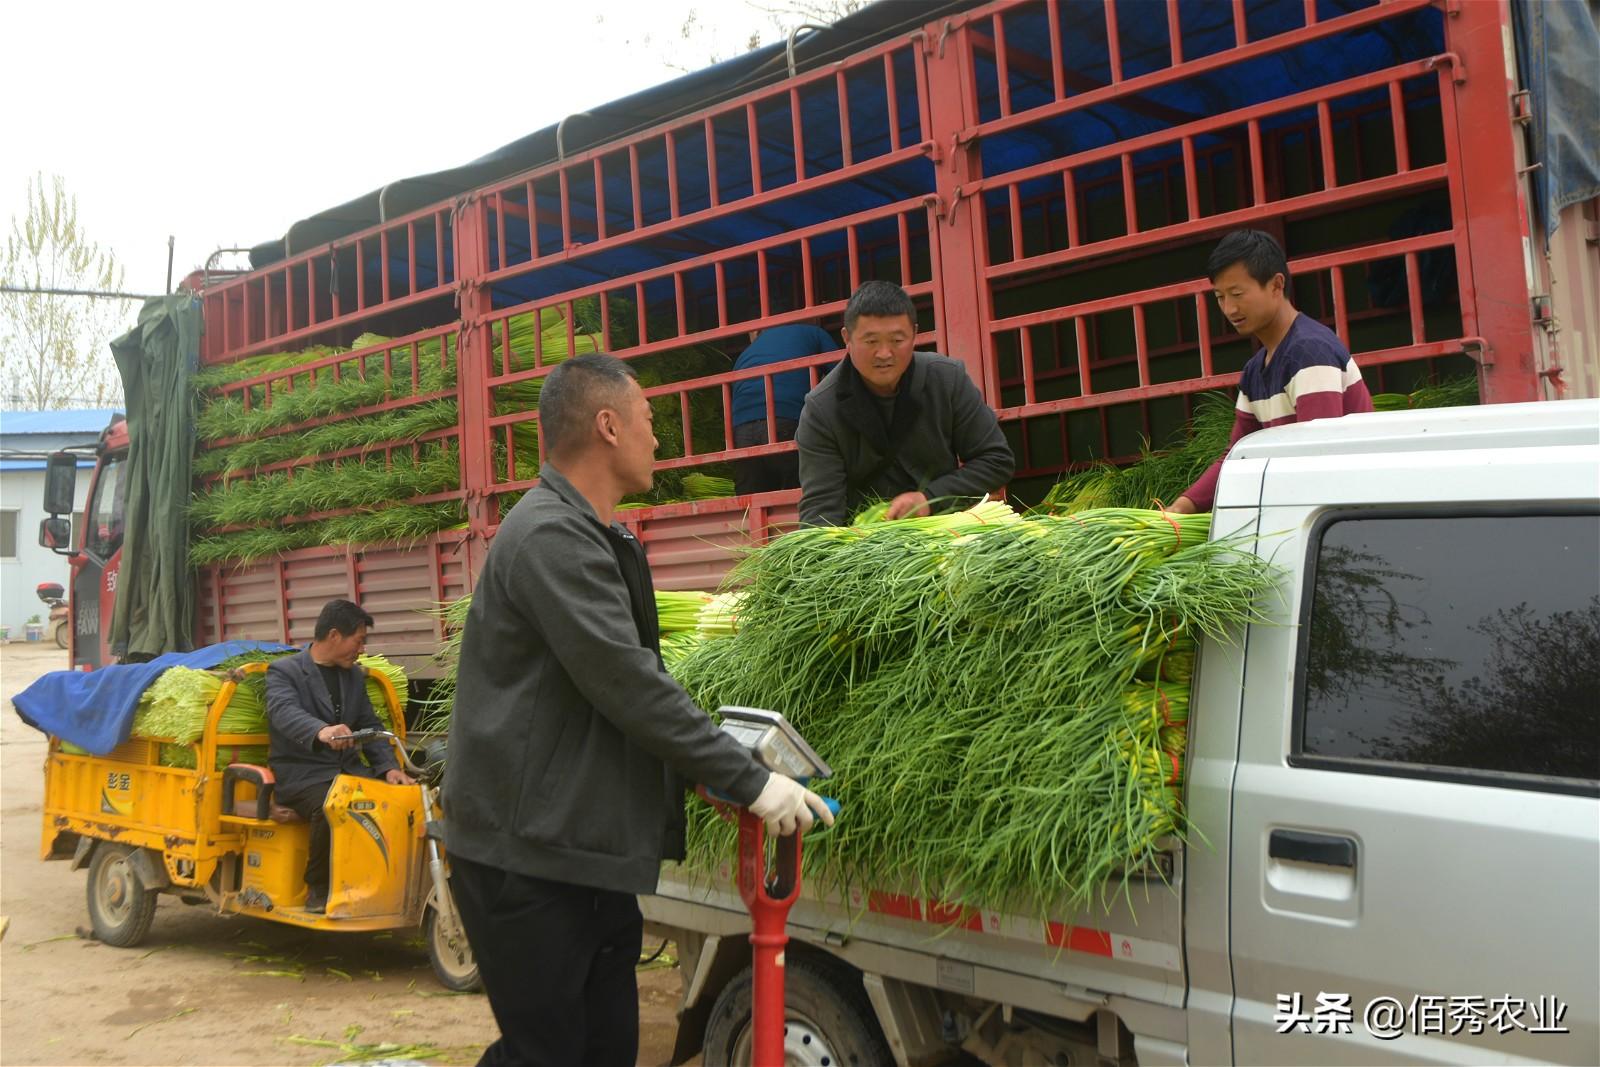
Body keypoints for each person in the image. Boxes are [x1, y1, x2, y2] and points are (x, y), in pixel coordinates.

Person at [442, 353, 834, 1067]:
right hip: (525, 862)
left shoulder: (592, 534)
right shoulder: (550, 536)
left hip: (579, 856)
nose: (659, 441)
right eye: (649, 422)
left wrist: (708, 769)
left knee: (603, 1049)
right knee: (546, 1055)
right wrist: (750, 779)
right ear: (607, 426)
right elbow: (626, 681)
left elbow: (624, 687)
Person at [1168, 230, 1375, 514]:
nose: (1229, 308)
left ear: (1277, 285)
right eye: (1220, 297)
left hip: (1341, 518)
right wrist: (1179, 509)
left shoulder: (1309, 352)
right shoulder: (1255, 371)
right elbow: (1235, 457)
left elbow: (1317, 459)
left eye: (1237, 294)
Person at [795, 281, 1015, 526]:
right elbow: (821, 513)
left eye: (897, 340)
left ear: (914, 335)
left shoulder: (947, 378)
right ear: (847, 338)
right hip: (868, 545)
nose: (884, 353)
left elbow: (997, 460)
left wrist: (929, 498)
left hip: (948, 529)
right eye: (871, 341)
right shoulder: (821, 410)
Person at [265, 599, 413, 914]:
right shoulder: (284, 672)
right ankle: (318, 889)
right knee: (331, 805)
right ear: (334, 635)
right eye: (358, 640)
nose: (361, 649)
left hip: (348, 772)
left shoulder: (354, 676)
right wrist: (320, 731)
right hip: (303, 775)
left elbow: (370, 726)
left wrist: (388, 769)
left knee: (401, 801)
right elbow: (283, 712)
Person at [729, 322, 837, 495]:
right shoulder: (814, 331)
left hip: (741, 428)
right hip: (785, 418)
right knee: (797, 493)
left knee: (752, 500)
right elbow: (841, 374)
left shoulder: (749, 351)